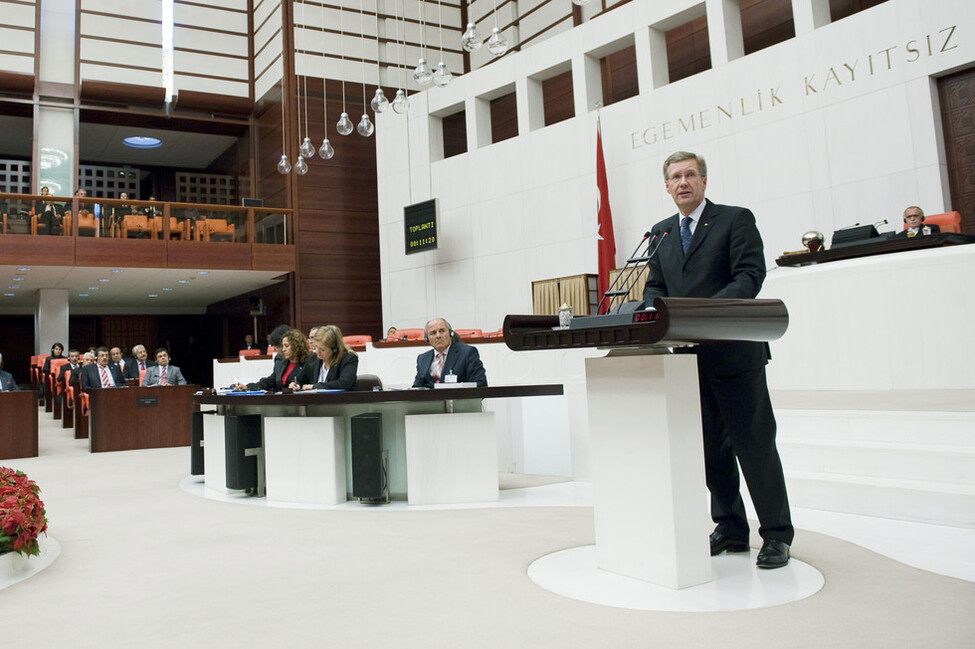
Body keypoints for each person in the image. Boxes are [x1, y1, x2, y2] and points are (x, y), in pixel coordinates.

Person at [642, 151, 793, 569]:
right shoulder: (661, 234)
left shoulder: (734, 219)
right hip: (689, 358)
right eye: (675, 176)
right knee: (711, 451)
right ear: (667, 186)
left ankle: (777, 535)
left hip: (735, 354)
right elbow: (655, 285)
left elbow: (749, 276)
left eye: (691, 174)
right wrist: (645, 309)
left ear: (704, 182)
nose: (683, 182)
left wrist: (699, 314)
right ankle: (729, 526)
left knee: (755, 447)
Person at [412, 318, 487, 388]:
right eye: (433, 333)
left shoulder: (467, 353)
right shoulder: (422, 359)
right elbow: (416, 389)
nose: (438, 336)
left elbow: (481, 384)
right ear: (427, 338)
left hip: (459, 400)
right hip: (431, 401)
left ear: (450, 333)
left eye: (442, 331)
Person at [234, 328, 307, 392]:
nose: (283, 349)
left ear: (296, 346)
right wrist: (248, 387)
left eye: (286, 346)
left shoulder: (306, 364)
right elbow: (269, 381)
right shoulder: (282, 363)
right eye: (282, 346)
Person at [291, 325, 358, 391]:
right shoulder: (312, 359)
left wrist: (316, 386)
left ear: (334, 349)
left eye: (322, 349)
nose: (317, 352)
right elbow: (300, 380)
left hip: (340, 400)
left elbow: (344, 383)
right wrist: (296, 384)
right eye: (316, 347)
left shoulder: (348, 359)